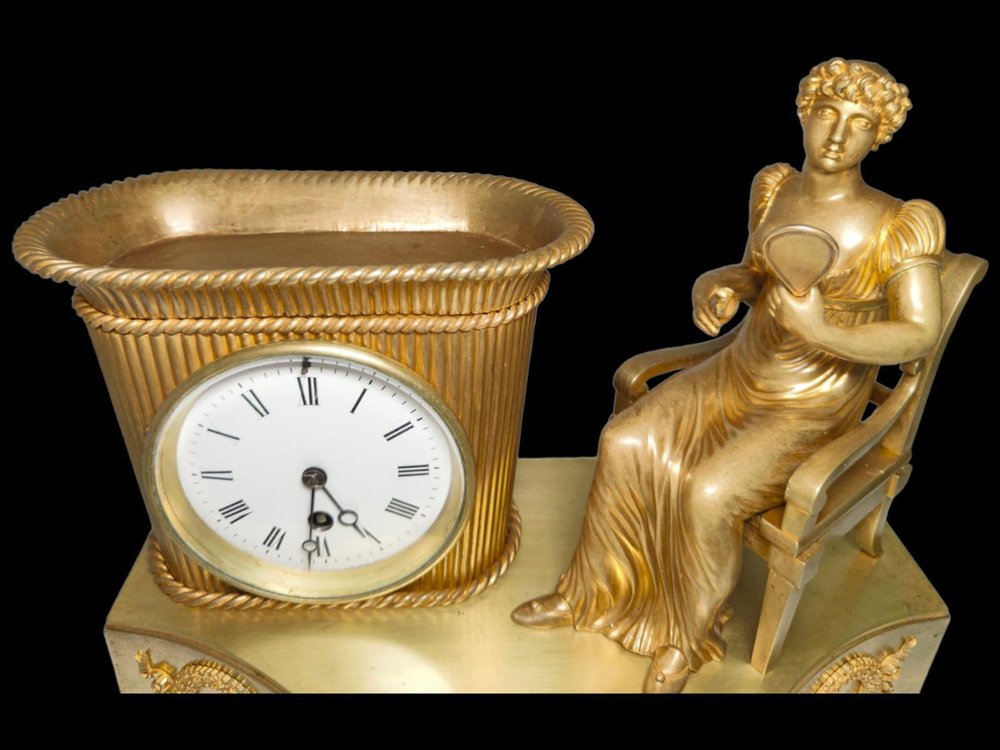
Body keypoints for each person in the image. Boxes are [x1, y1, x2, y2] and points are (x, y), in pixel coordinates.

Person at [511, 58, 945, 693]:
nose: (836, 135)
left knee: (710, 493)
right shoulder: (777, 187)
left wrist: (823, 332)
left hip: (814, 397)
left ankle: (685, 639)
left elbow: (919, 331)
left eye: (858, 123)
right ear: (804, 114)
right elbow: (756, 274)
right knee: (623, 440)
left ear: (878, 135)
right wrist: (718, 283)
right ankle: (590, 594)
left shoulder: (898, 222)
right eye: (827, 113)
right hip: (741, 368)